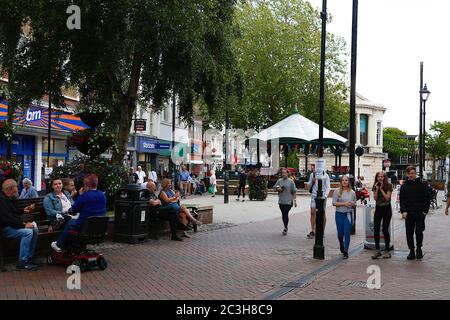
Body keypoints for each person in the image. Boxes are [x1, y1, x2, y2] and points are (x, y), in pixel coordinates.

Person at [51, 174, 106, 252]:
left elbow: (73, 210)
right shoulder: (102, 195)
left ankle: (59, 245)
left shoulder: (85, 196)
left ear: (85, 184)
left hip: (84, 226)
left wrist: (80, 195)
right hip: (99, 227)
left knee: (70, 223)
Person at [0, 179, 40, 270]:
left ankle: (30, 257)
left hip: (11, 226)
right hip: (5, 229)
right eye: (16, 187)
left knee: (35, 229)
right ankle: (22, 261)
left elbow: (12, 212)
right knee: (28, 232)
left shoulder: (7, 197)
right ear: (11, 188)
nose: (18, 188)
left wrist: (23, 210)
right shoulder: (1, 199)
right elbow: (7, 219)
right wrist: (24, 225)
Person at [399, 166, 430, 260]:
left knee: (419, 231)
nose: (412, 175)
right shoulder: (404, 186)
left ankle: (419, 249)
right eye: (410, 173)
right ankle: (411, 250)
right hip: (408, 213)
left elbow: (427, 198)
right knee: (409, 232)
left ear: (415, 173)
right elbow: (402, 200)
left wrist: (425, 212)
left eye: (413, 173)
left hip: (420, 212)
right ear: (407, 174)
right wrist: (403, 211)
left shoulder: (422, 184)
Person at [332, 176, 356, 259]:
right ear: (341, 182)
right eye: (343, 180)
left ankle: (346, 251)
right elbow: (334, 203)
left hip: (348, 214)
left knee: (347, 233)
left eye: (346, 180)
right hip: (339, 214)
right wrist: (344, 204)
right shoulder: (337, 191)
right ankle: (341, 244)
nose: (344, 182)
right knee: (340, 234)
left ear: (348, 182)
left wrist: (353, 204)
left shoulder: (352, 192)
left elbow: (355, 204)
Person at [371, 171, 393, 259]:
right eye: (378, 176)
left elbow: (388, 198)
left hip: (387, 208)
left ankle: (387, 250)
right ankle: (377, 250)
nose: (380, 178)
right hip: (379, 208)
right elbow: (375, 198)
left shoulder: (389, 185)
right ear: (377, 177)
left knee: (385, 229)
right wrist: (376, 189)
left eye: (382, 176)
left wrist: (381, 189)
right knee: (376, 228)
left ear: (385, 178)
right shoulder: (375, 185)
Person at [306, 168, 331, 239]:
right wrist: (312, 181)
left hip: (323, 196)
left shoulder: (326, 176)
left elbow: (328, 187)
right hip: (314, 195)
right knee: (312, 212)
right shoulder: (312, 174)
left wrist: (325, 196)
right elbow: (309, 186)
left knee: (322, 213)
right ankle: (313, 230)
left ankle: (322, 231)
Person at [274, 168, 297, 236]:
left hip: (288, 201)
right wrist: (278, 189)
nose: (283, 174)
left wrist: (295, 200)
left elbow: (294, 191)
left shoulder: (291, 181)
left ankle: (285, 228)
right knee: (283, 214)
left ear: (287, 173)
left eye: (284, 173)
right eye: (282, 173)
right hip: (281, 201)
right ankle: (285, 226)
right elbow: (275, 188)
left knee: (285, 213)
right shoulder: (279, 181)